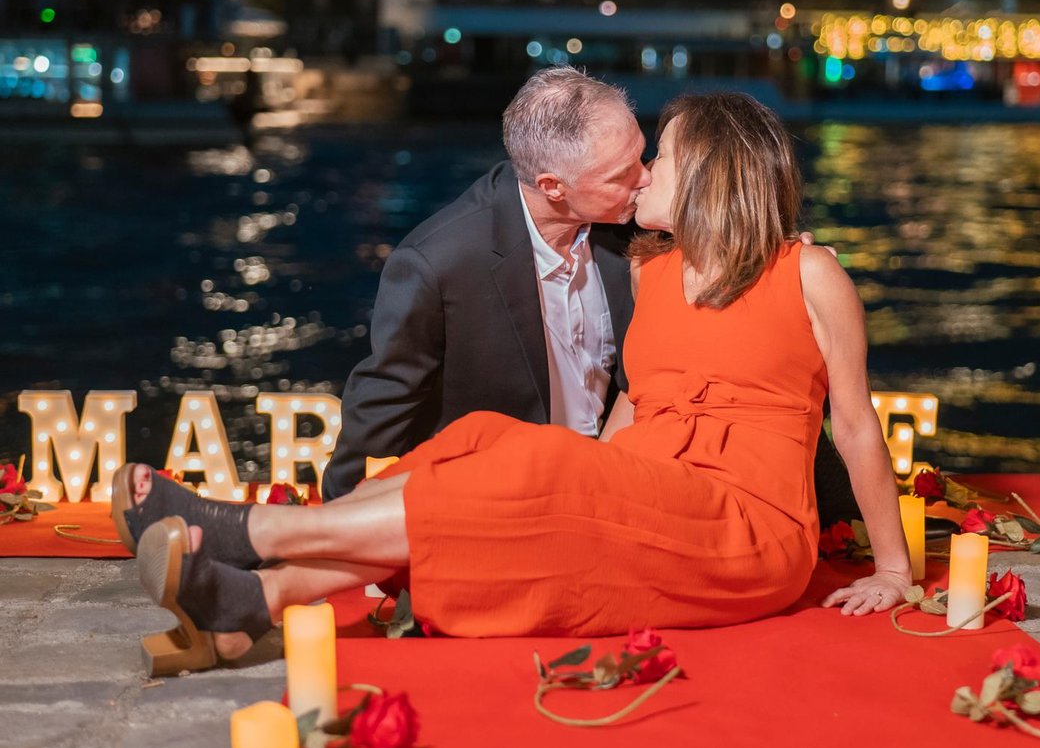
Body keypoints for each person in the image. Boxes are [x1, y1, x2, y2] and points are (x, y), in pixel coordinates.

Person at [116, 92, 912, 676]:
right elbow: (633, 401)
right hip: (654, 497)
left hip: (748, 531)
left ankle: (250, 533)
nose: (643, 176)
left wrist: (893, 570)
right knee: (480, 439)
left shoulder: (809, 274)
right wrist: (595, 483)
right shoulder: (652, 271)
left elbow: (853, 428)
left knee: (541, 463)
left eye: (660, 157)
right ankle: (256, 603)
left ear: (711, 173)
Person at [320, 67, 650, 500]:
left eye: (642, 156)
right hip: (496, 496)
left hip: (612, 484)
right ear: (552, 186)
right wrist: (338, 515)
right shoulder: (439, 263)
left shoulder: (634, 223)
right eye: (621, 175)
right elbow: (385, 404)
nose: (645, 178)